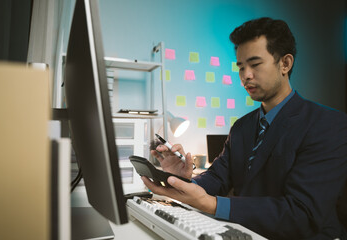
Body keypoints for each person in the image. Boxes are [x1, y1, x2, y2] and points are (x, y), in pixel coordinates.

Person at [142, 17, 347, 239]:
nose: (245, 75)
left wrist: (211, 204)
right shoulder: (242, 127)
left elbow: (301, 213)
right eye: (241, 67)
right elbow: (218, 178)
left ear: (285, 64)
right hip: (246, 232)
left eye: (255, 64)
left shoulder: (328, 125)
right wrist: (184, 179)